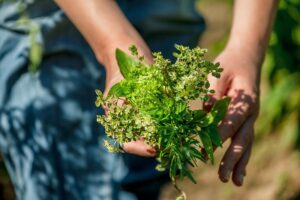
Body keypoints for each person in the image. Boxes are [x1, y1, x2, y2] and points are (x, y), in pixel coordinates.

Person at [0, 0, 278, 199]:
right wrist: (113, 44)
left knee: (144, 168)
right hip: (54, 22)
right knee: (66, 182)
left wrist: (247, 46)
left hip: (163, 14)